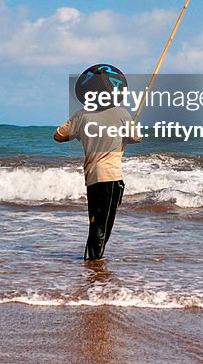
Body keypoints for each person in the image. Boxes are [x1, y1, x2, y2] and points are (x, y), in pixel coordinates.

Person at [54, 64, 141, 260]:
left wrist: (79, 132)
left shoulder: (81, 116)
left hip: (92, 177)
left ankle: (93, 263)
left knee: (95, 221)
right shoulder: (121, 113)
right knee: (103, 225)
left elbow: (58, 136)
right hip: (110, 177)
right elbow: (136, 137)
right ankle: (93, 264)